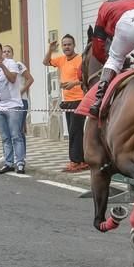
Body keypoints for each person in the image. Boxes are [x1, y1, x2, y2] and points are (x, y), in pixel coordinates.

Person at [43, 35, 87, 173]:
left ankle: (76, 161)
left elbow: (87, 78)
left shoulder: (80, 59)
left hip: (79, 100)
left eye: (69, 44)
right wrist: (50, 49)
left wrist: (74, 83)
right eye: (64, 45)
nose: (66, 47)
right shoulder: (61, 60)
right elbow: (45, 62)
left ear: (74, 45)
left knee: (75, 131)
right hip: (67, 101)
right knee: (73, 131)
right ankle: (82, 159)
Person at [0, 42, 26, 174]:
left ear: (1, 51)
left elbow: (13, 79)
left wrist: (2, 65)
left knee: (16, 136)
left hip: (13, 105)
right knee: (5, 137)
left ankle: (20, 163)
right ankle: (8, 163)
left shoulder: (11, 63)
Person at [0, 45, 34, 158]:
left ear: (12, 53)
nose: (6, 53)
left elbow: (30, 79)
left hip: (20, 101)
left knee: (18, 129)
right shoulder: (0, 67)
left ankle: (21, 155)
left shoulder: (18, 65)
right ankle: (8, 155)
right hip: (7, 102)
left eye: (9, 51)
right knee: (8, 130)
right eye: (4, 52)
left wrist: (21, 91)